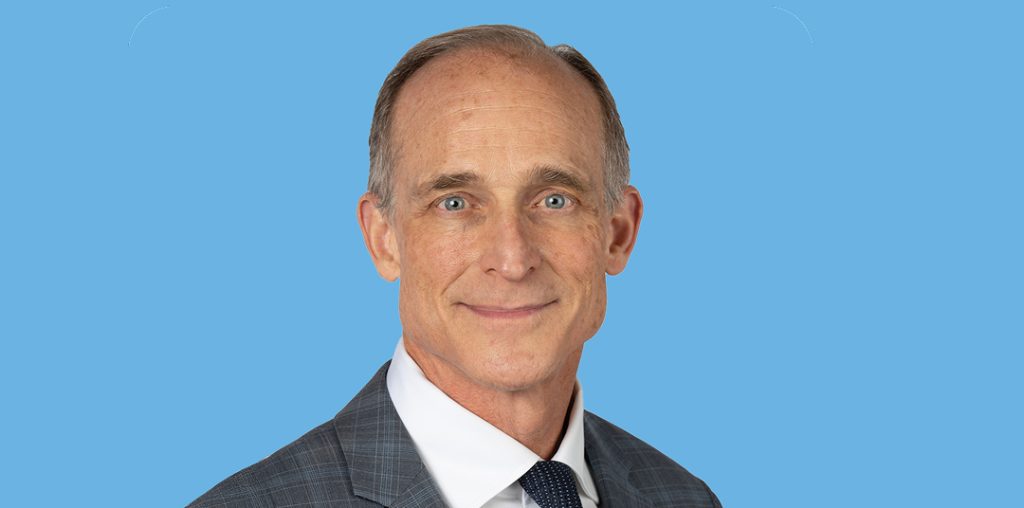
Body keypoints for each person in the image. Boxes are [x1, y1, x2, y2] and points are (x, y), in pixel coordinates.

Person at [190, 24, 721, 508]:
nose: (512, 260)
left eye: (554, 200)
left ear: (618, 232)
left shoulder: (683, 497)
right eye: (455, 203)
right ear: (384, 238)